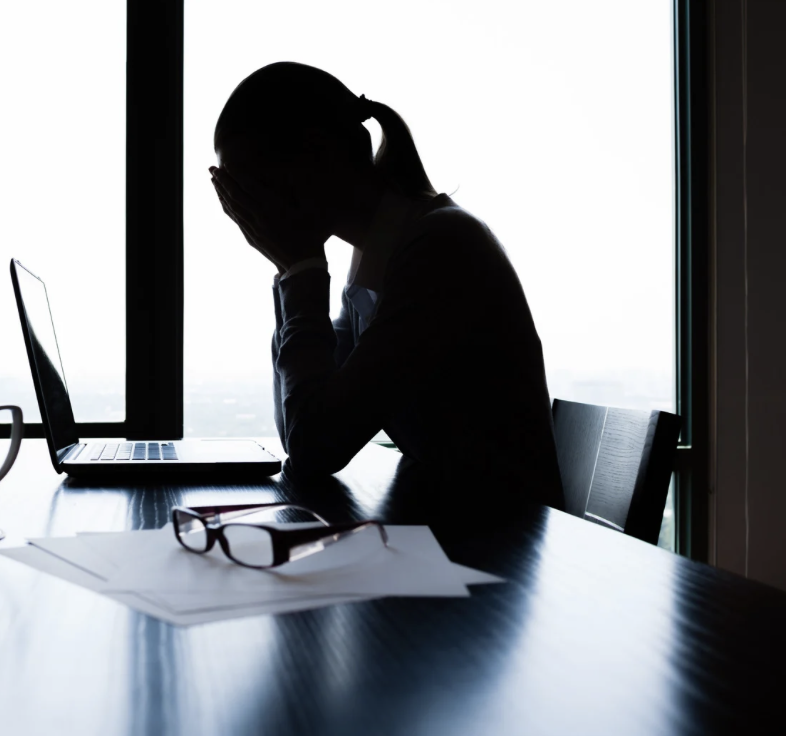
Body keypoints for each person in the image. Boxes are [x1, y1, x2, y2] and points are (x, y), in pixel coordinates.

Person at [210, 62, 564, 510]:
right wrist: (291, 272)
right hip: (460, 524)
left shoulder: (440, 245)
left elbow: (316, 446)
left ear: (317, 154)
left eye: (248, 189)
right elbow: (301, 429)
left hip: (502, 541)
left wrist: (300, 271)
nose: (248, 213)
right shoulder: (380, 250)